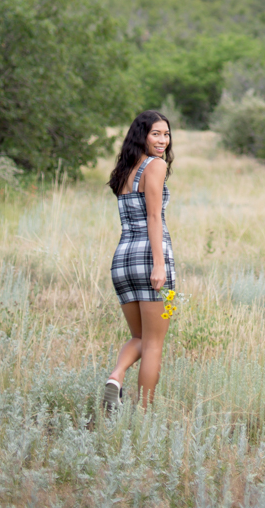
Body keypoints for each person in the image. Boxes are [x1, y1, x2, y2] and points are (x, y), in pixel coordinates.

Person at [104, 110, 175, 411]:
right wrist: (159, 265)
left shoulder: (125, 170)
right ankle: (143, 415)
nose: (162, 141)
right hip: (150, 256)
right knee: (154, 343)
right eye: (155, 134)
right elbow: (153, 216)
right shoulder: (155, 166)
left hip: (122, 260)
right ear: (142, 135)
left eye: (166, 134)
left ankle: (116, 377)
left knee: (139, 337)